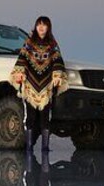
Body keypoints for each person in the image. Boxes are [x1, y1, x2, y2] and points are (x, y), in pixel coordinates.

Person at [9, 16, 69, 151]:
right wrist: (19, 73)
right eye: (39, 25)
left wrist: (57, 75)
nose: (41, 28)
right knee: (29, 117)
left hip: (47, 86)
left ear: (48, 27)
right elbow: (22, 59)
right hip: (30, 85)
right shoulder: (29, 43)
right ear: (36, 27)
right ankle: (29, 146)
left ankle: (45, 147)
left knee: (45, 117)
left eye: (44, 25)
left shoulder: (52, 44)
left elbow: (57, 61)